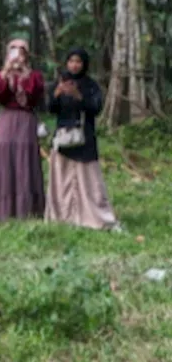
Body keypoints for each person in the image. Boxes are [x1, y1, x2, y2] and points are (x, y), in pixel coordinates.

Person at [45, 48, 120, 231]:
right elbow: (51, 109)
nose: (74, 65)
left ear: (84, 64)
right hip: (64, 138)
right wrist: (57, 94)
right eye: (71, 61)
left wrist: (78, 96)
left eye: (78, 61)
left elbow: (96, 108)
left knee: (88, 178)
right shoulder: (60, 82)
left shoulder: (91, 85)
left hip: (85, 137)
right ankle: (63, 215)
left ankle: (94, 215)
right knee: (62, 178)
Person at [0, 38, 45, 222]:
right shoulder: (2, 75)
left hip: (25, 119)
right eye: (13, 49)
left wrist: (24, 75)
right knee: (5, 159)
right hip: (6, 119)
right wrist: (6, 72)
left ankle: (28, 210)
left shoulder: (34, 75)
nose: (17, 54)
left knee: (24, 160)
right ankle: (5, 211)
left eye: (21, 50)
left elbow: (35, 95)